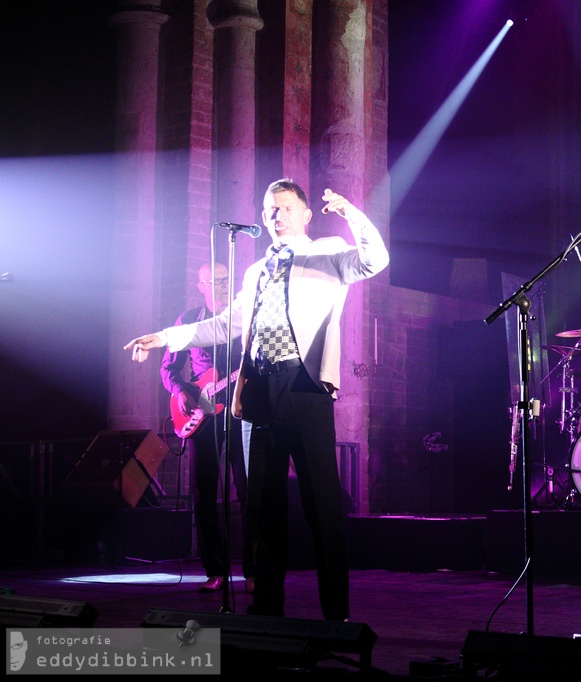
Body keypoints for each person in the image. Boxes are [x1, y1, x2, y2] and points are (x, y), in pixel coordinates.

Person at [124, 179, 389, 620]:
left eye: (285, 208)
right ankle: (266, 612)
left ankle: (336, 616)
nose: (277, 216)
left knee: (321, 503)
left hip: (304, 387)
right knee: (261, 506)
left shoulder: (327, 250)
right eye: (270, 210)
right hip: (258, 392)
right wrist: (164, 338)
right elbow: (224, 325)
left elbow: (376, 260)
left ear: (305, 214)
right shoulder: (255, 271)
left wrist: (350, 213)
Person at [160, 261, 253, 593]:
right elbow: (168, 368)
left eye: (226, 280)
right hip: (202, 414)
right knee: (204, 494)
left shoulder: (246, 319)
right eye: (212, 281)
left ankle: (254, 572)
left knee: (248, 491)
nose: (220, 286)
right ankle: (215, 571)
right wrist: (182, 390)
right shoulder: (188, 321)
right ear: (200, 286)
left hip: (241, 410)